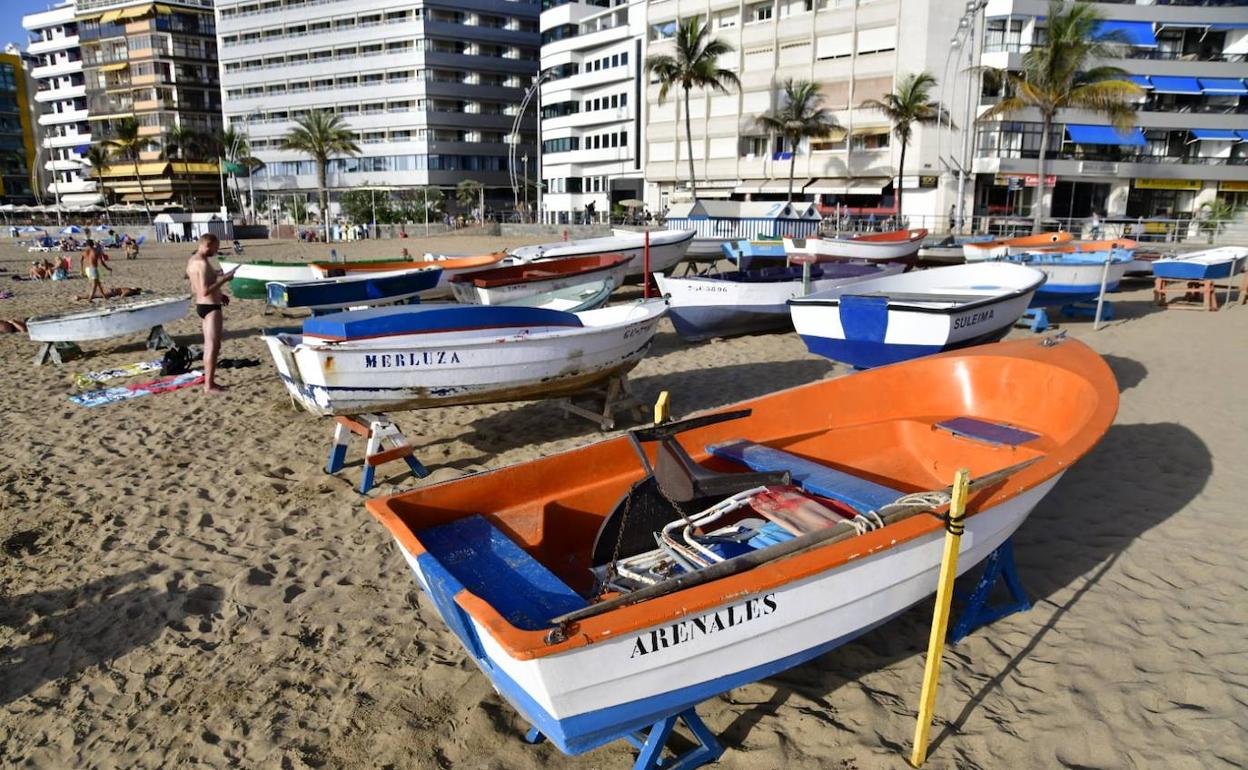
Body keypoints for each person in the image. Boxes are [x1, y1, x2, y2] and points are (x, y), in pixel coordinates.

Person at [186, 233, 237, 394]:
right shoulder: (201, 263)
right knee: (213, 346)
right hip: (210, 308)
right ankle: (209, 385)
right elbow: (204, 290)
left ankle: (210, 383)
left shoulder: (193, 260)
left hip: (204, 305)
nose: (216, 251)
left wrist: (220, 294)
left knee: (211, 345)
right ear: (208, 245)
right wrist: (225, 279)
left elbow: (196, 286)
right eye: (216, 248)